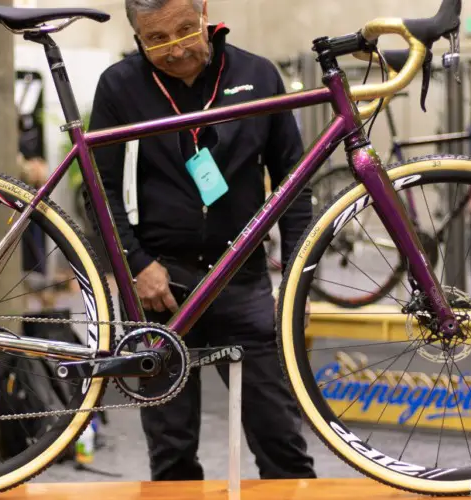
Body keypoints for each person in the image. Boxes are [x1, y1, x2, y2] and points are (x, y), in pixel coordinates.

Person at [88, 0, 316, 482]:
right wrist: (136, 263)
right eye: (156, 40)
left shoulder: (258, 75)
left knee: (282, 442)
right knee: (171, 454)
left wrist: (299, 281)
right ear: (137, 37)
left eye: (185, 30)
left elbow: (296, 186)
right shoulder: (120, 86)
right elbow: (98, 189)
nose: (175, 50)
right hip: (161, 288)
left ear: (205, 13)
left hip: (244, 280)